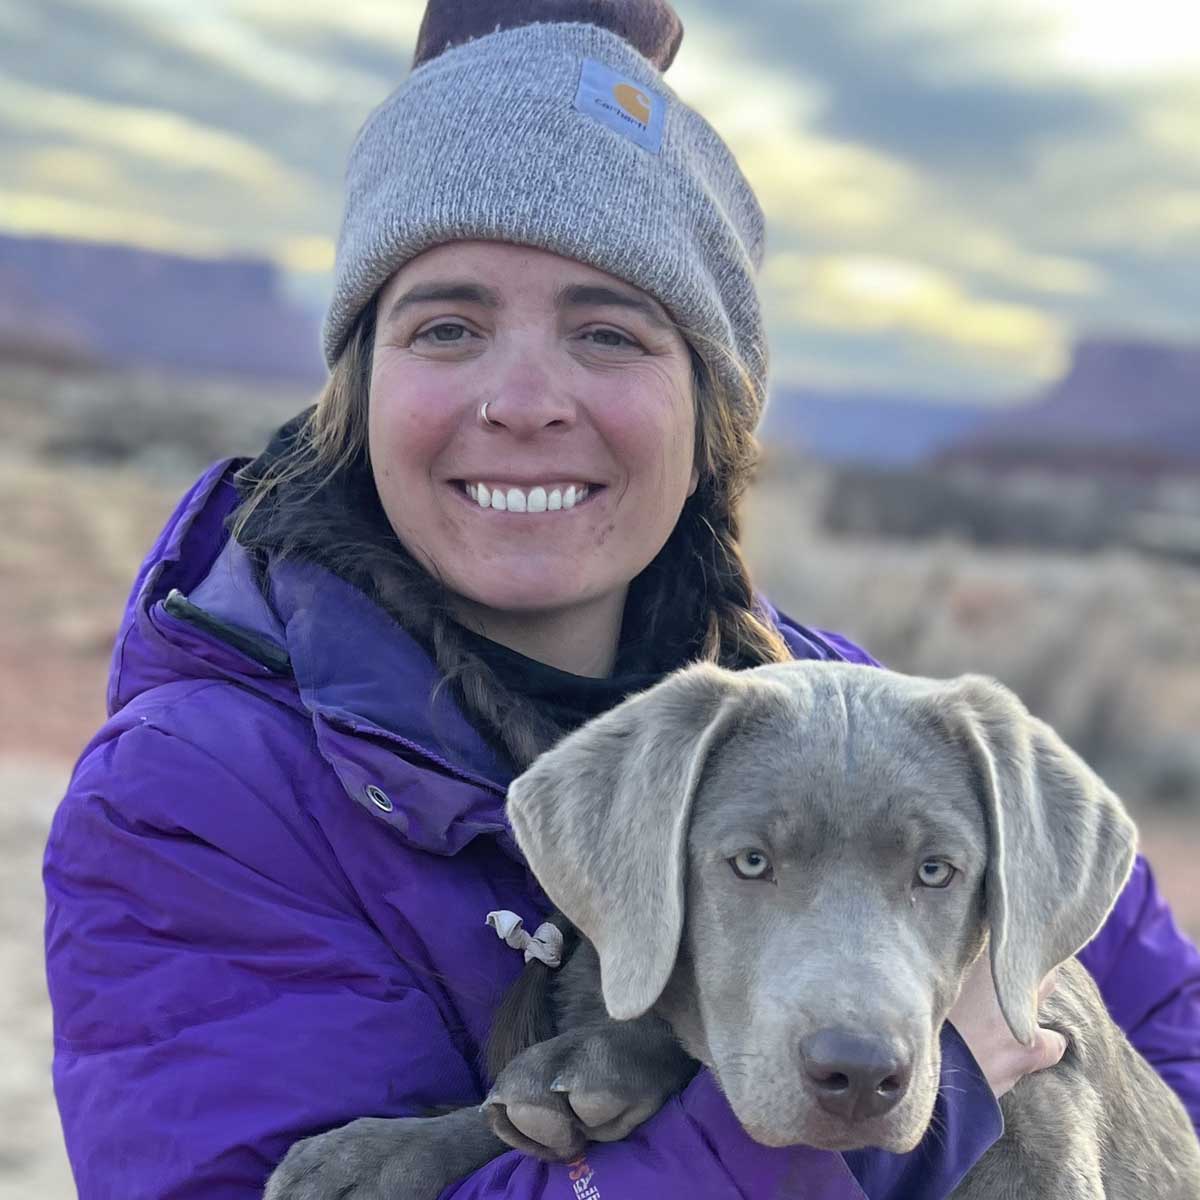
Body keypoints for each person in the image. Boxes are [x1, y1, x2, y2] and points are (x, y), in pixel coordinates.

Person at [42, 1, 1200, 1197]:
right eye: (446, 326)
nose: (527, 400)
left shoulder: (842, 714)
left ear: (710, 411)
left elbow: (1168, 1015)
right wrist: (909, 1118)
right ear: (362, 386)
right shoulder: (195, 799)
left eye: (608, 333)